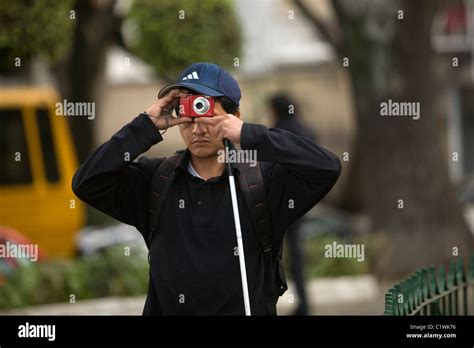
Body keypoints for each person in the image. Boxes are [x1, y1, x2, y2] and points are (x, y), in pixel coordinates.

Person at [72, 62, 341, 315]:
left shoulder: (262, 182)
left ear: (234, 117)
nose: (197, 129)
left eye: (208, 115)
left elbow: (326, 167)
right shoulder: (156, 181)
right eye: (188, 117)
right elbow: (86, 183)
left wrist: (249, 134)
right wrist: (145, 125)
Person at [268, 93, 316, 315]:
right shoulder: (306, 130)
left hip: (278, 203)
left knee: (270, 255)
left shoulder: (277, 131)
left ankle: (267, 302)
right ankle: (303, 304)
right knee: (297, 256)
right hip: (301, 202)